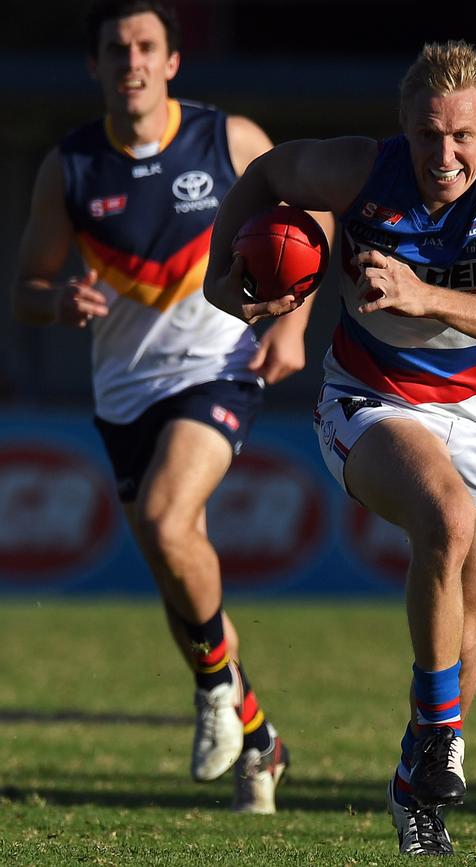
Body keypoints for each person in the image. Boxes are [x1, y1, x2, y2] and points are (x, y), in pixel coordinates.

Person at [203, 39, 476, 854]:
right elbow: (265, 174)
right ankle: (441, 737)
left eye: (462, 137)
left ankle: (414, 782)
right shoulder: (361, 171)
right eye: (426, 134)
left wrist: (423, 292)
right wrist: (219, 280)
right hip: (369, 399)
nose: (443, 155)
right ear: (402, 127)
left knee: (466, 636)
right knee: (442, 516)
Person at [11, 0, 332, 815]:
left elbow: (316, 212)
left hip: (218, 367)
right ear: (94, 65)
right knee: (176, 568)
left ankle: (215, 696)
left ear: (173, 61)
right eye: (117, 49)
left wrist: (292, 324)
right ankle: (258, 735)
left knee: (163, 518)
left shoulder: (227, 140)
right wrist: (60, 300)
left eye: (147, 46)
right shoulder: (72, 165)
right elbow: (27, 290)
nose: (132, 62)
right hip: (124, 394)